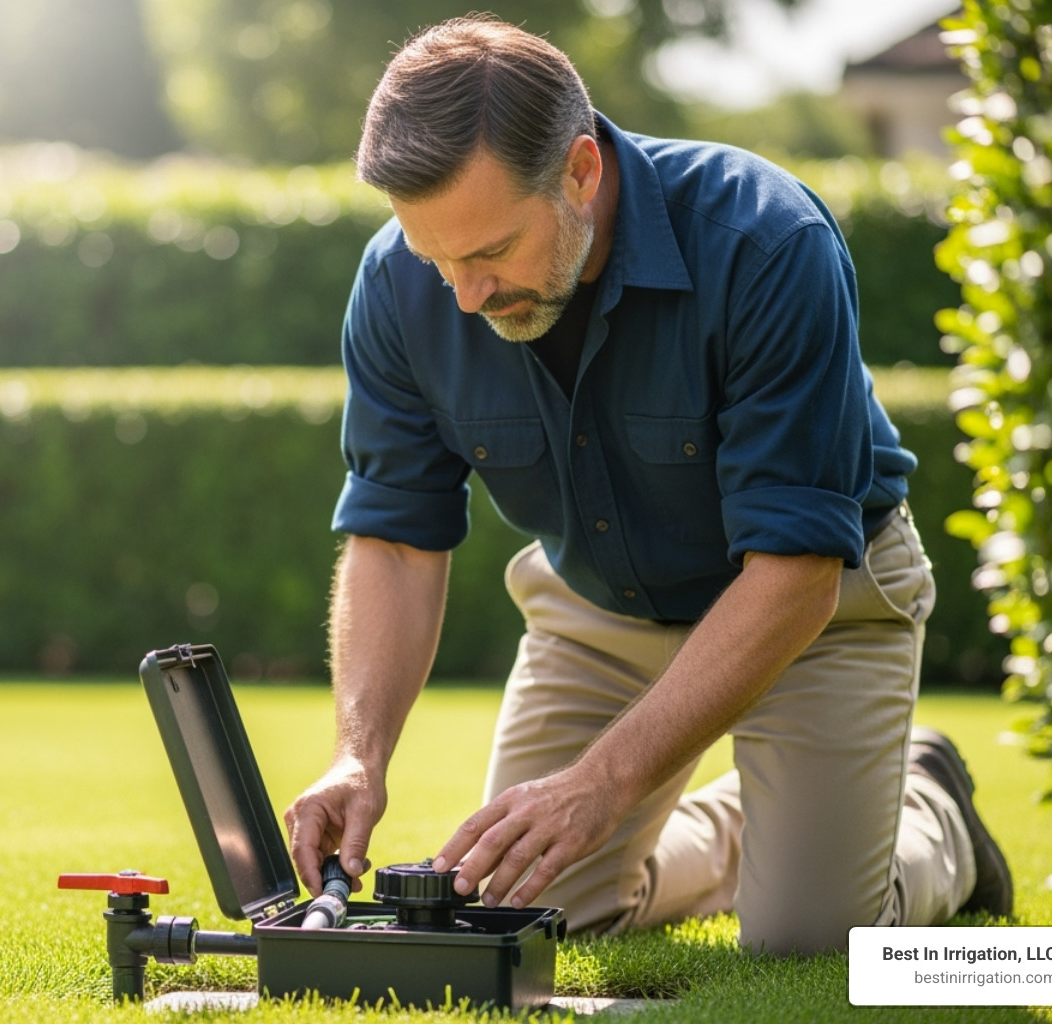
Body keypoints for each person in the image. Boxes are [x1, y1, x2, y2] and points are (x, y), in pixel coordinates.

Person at [282, 15, 1012, 954]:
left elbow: (795, 572)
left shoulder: (767, 242)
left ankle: (931, 812)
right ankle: (767, 826)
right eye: (437, 259)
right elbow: (392, 536)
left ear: (581, 170)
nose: (462, 294)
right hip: (600, 611)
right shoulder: (396, 286)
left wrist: (605, 782)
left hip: (816, 609)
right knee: (532, 921)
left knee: (812, 940)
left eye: (491, 251)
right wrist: (358, 755)